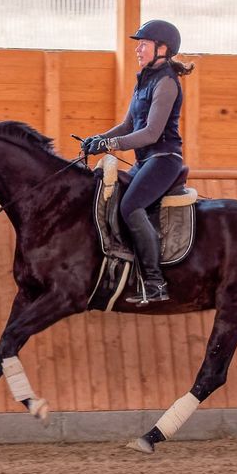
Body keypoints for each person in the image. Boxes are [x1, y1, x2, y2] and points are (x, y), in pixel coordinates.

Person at [81, 19, 195, 304]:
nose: (138, 49)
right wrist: (98, 139)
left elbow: (150, 133)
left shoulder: (167, 82)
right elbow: (127, 124)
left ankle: (155, 282)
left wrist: (111, 144)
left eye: (143, 44)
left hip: (164, 159)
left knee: (131, 206)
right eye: (138, 44)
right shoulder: (144, 79)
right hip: (145, 161)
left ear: (162, 48)